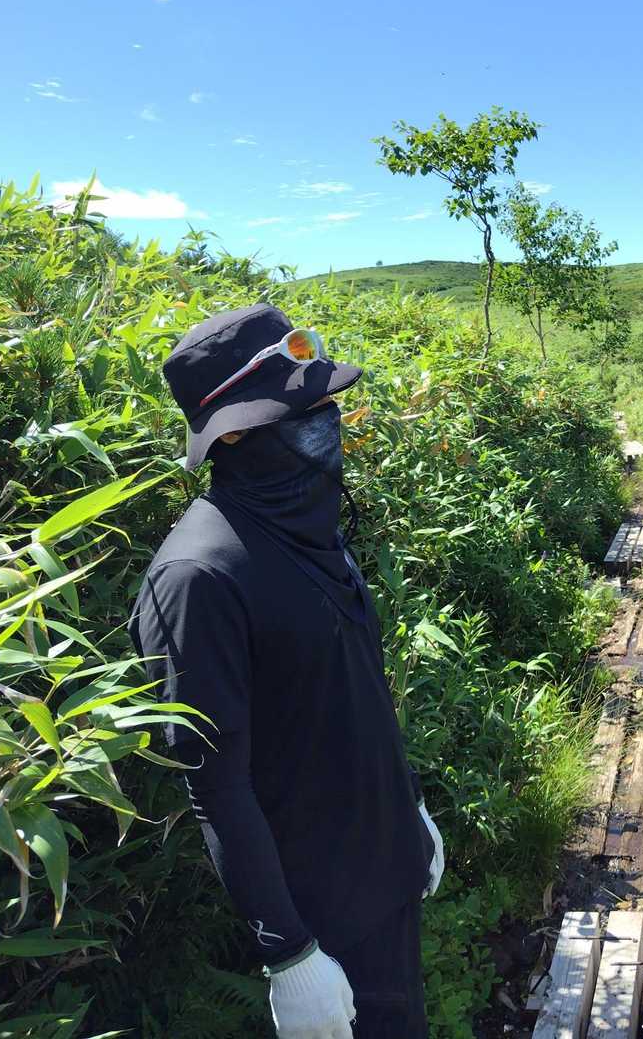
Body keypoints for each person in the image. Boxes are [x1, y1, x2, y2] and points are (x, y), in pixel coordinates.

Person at [129, 303, 446, 1038]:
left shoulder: (305, 522)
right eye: (302, 411)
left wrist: (410, 810)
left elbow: (353, 692)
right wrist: (290, 954)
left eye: (325, 404)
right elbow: (216, 783)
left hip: (388, 875)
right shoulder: (199, 577)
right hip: (327, 921)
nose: (326, 421)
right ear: (234, 435)